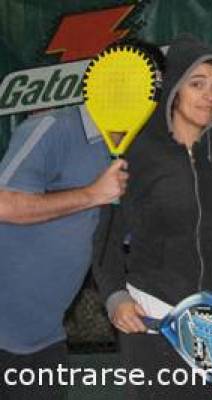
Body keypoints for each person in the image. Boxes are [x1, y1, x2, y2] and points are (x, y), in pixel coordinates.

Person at [92, 34, 212, 399]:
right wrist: (115, 296)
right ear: (175, 89)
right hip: (153, 320)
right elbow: (105, 237)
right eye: (197, 84)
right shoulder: (138, 153)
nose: (209, 96)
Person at [0, 104, 128, 400]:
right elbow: (4, 204)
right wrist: (92, 194)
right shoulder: (52, 126)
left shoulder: (128, 149)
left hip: (46, 337)